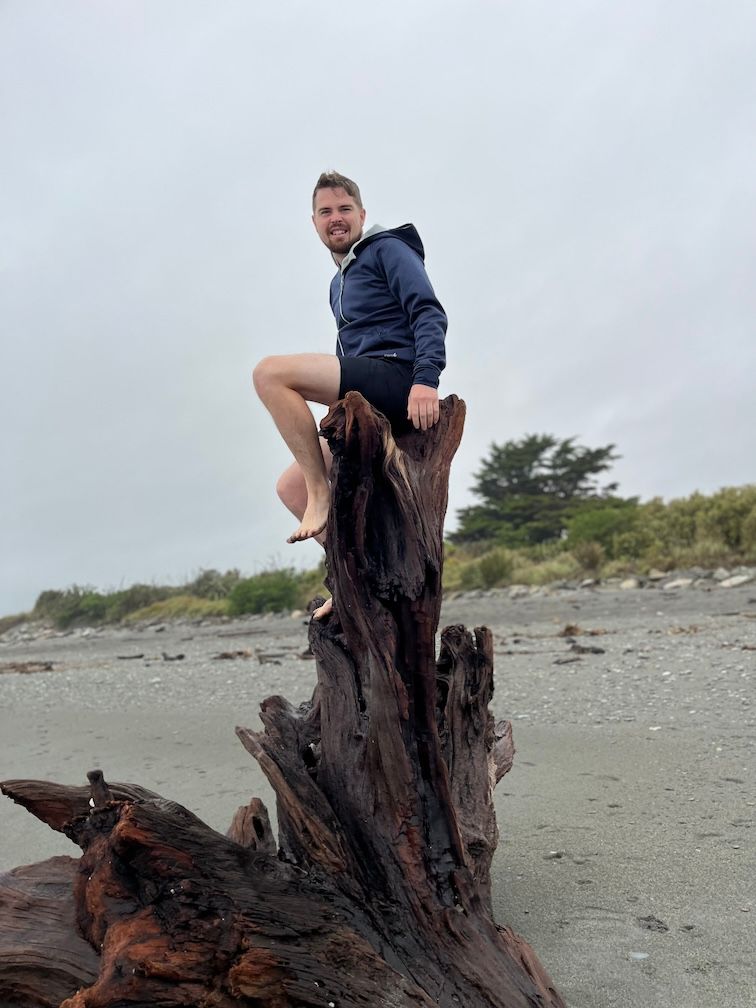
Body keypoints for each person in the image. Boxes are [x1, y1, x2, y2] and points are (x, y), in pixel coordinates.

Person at [253, 171, 447, 616]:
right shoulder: (338, 283)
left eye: (344, 210)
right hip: (365, 393)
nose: (335, 219)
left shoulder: (388, 249)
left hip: (397, 377)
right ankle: (351, 580)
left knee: (269, 374)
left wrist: (426, 379)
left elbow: (428, 312)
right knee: (290, 487)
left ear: (361, 214)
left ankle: (322, 495)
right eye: (326, 212)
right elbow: (347, 352)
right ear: (314, 222)